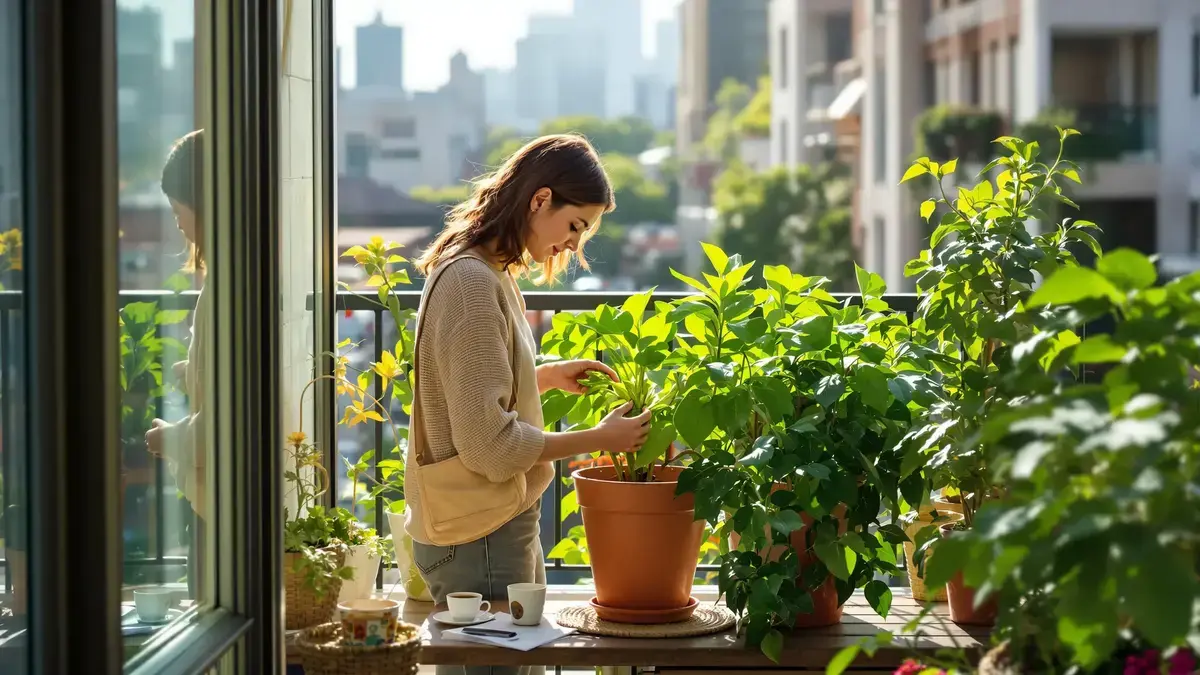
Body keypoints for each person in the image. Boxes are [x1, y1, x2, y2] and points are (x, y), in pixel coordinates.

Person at [406, 134, 649, 675]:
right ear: (539, 200)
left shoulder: (482, 269)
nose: (573, 243)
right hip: (482, 536)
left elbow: (467, 394)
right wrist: (600, 440)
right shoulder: (472, 282)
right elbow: (490, 448)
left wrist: (542, 377)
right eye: (575, 226)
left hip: (487, 528)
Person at [144, 128, 208, 600]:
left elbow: (236, 420)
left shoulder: (229, 285)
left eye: (177, 209)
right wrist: (193, 372)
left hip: (218, 510)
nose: (178, 225)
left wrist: (173, 437)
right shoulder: (242, 272)